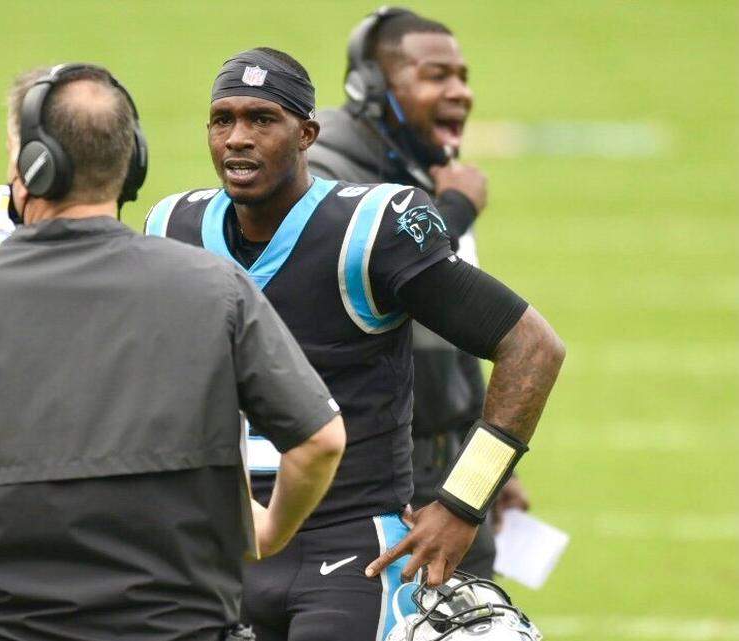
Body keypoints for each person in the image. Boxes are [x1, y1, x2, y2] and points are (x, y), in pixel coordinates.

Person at [0, 63, 347, 641]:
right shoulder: (219, 292)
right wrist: (268, 533)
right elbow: (320, 441)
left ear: (32, 165)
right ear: (131, 162)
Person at [145, 47, 564, 641]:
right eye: (223, 120)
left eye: (262, 120)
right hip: (214, 546)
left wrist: (464, 501)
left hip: (351, 550)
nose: (238, 138)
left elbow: (533, 347)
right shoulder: (173, 228)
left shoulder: (371, 230)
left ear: (306, 133)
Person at [307, 6, 527, 579]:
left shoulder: (424, 167)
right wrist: (453, 210)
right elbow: (368, 266)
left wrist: (491, 467)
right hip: (378, 482)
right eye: (436, 76)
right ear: (374, 87)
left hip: (449, 469)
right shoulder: (324, 170)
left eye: (463, 76)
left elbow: (463, 334)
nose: (461, 93)